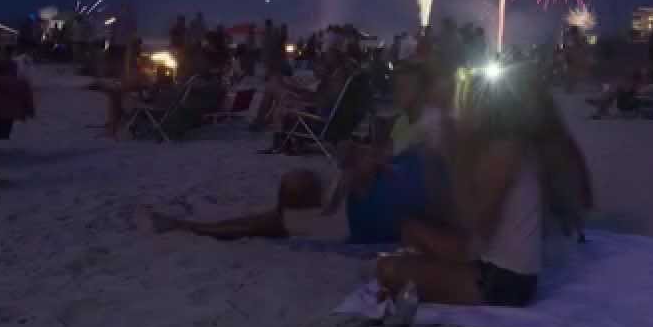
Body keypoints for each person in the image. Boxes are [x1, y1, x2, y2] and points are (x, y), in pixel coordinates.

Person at [138, 56, 454, 244]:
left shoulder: (432, 126)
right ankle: (210, 227)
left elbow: (414, 174)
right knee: (294, 183)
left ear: (422, 90)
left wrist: (363, 166)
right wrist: (360, 158)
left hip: (368, 214)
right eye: (397, 85)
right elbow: (381, 159)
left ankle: (196, 228)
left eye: (406, 86)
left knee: (284, 206)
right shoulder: (403, 121)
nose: (398, 92)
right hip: (361, 197)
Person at [373, 63, 592, 307]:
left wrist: (454, 155)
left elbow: (476, 224)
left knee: (388, 268)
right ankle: (427, 279)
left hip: (504, 282)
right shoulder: (501, 142)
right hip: (488, 258)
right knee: (411, 230)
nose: (460, 110)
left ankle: (426, 282)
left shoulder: (506, 149)